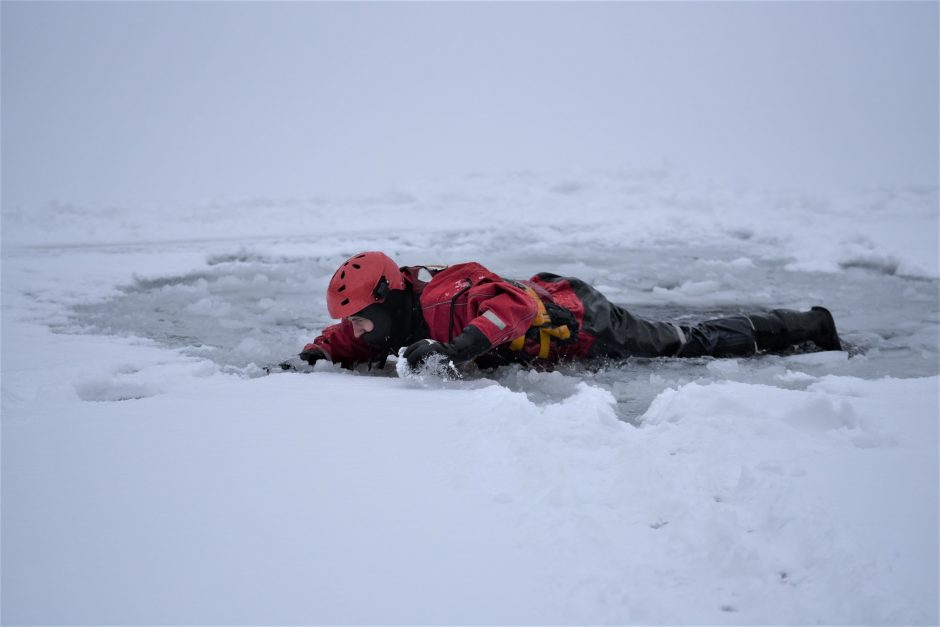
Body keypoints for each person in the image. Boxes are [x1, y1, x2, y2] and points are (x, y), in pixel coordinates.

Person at [296, 251, 842, 372]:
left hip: (584, 321)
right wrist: (317, 351)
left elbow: (507, 307)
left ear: (391, 300)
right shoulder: (397, 316)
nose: (357, 331)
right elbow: (353, 337)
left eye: (362, 319)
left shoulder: (448, 298)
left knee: (685, 340)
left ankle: (810, 326)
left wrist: (454, 352)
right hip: (555, 301)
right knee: (683, 333)